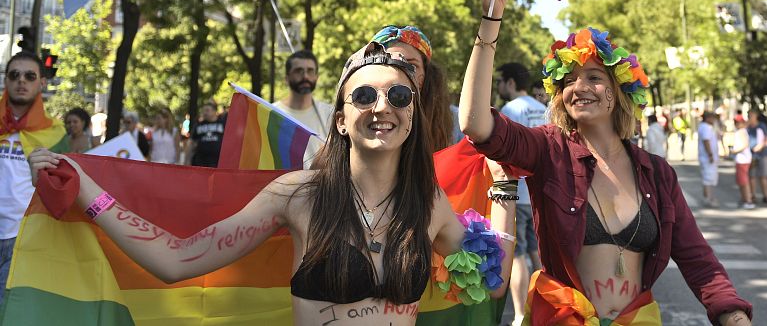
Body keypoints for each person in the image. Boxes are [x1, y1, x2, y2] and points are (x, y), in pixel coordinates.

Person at [29, 43, 517, 325]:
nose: (381, 106)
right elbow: (176, 260)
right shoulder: (299, 194)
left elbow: (491, 283)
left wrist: (504, 189)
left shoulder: (426, 203)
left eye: (399, 95)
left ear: (411, 114)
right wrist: (88, 189)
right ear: (342, 119)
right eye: (364, 94)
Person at [458, 0, 752, 325]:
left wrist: (732, 315)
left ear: (618, 92)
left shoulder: (658, 174)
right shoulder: (549, 150)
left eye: (595, 77)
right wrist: (489, 22)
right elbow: (476, 123)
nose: (580, 86)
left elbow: (698, 260)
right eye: (569, 80)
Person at [0, 51, 68, 305]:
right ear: (6, 81)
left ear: (41, 83)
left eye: (30, 76)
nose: (21, 81)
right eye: (14, 75)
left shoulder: (56, 133)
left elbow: (66, 190)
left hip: (26, 237)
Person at [495, 61, 545, 326]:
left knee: (516, 256)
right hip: (540, 195)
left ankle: (520, 314)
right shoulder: (544, 109)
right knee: (538, 252)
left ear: (511, 83)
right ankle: (549, 304)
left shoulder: (509, 110)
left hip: (516, 194)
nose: (499, 87)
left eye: (500, 82)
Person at [371, 25, 454, 151]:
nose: (402, 72)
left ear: (426, 73)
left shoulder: (456, 122)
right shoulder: (361, 113)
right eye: (389, 63)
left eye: (411, 65)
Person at [273, 50, 334, 168]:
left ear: (317, 77)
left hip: (322, 185)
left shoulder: (330, 114)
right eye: (298, 71)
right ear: (286, 78)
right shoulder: (273, 114)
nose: (305, 76)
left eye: (310, 71)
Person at [186, 101, 226, 167]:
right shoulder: (198, 125)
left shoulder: (222, 124)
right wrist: (187, 160)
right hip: (200, 162)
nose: (205, 113)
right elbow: (191, 142)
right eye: (203, 111)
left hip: (218, 162)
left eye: (207, 110)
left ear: (214, 111)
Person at [731, 115, 756, 210]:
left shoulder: (742, 132)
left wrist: (735, 151)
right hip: (742, 159)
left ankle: (748, 200)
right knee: (741, 181)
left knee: (744, 181)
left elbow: (745, 144)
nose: (736, 124)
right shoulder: (741, 131)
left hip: (743, 159)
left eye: (738, 122)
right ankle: (744, 199)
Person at [697, 111, 721, 208]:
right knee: (708, 178)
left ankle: (709, 197)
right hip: (707, 157)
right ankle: (708, 198)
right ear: (708, 118)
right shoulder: (705, 128)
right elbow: (706, 141)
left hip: (707, 157)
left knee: (710, 177)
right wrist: (710, 154)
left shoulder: (706, 127)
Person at [747, 109, 767, 204]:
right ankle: (753, 195)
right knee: (752, 176)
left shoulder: (761, 126)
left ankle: (766, 195)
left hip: (761, 154)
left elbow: (766, 138)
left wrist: (759, 146)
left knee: (763, 176)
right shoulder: (748, 126)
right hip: (751, 154)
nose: (750, 118)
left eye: (752, 115)